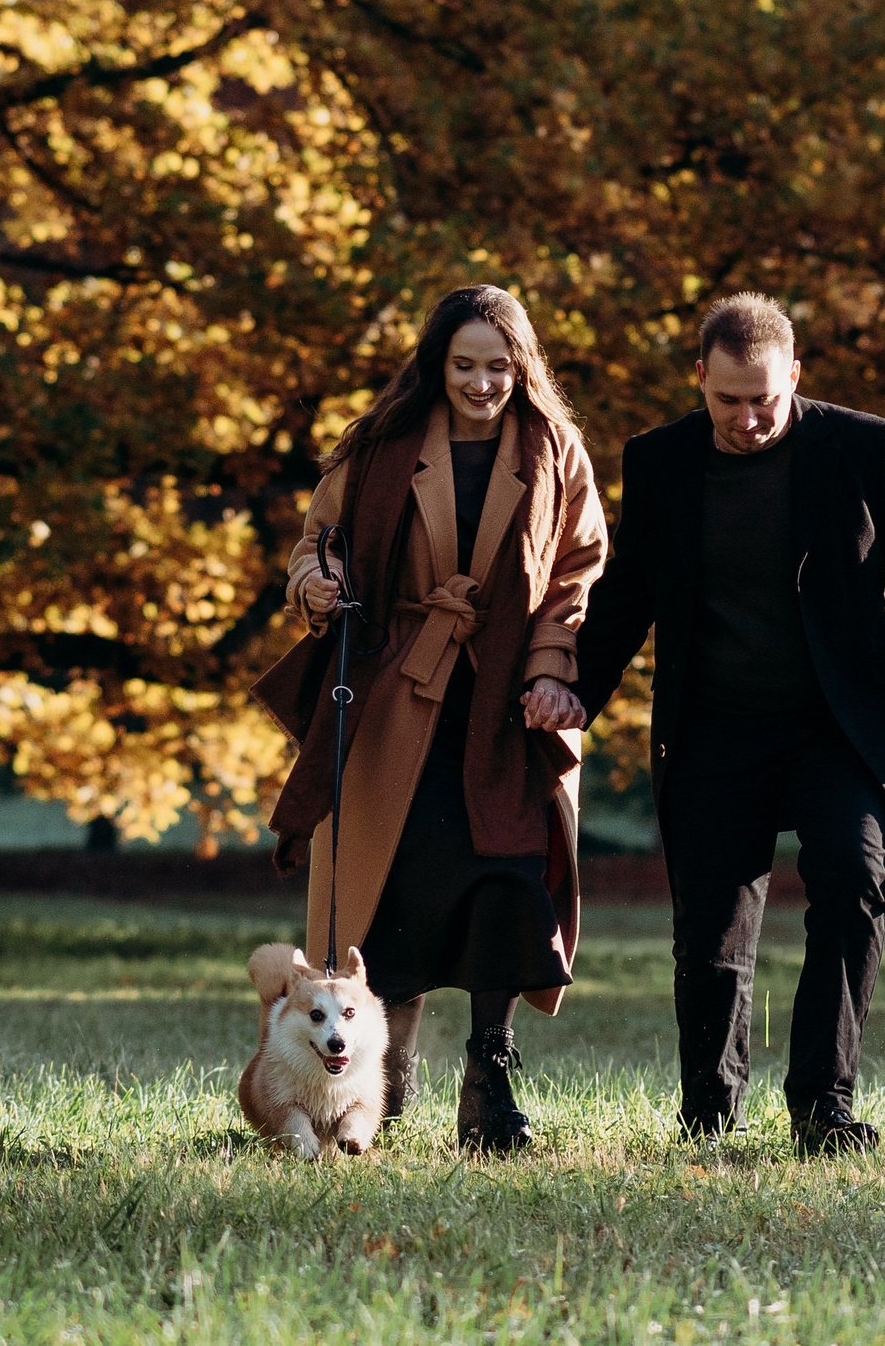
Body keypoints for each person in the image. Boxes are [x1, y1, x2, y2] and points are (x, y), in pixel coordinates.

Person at [573, 292, 885, 1156]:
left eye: (765, 398)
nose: (749, 418)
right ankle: (709, 1116)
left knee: (855, 881)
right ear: (700, 379)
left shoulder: (862, 446)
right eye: (729, 399)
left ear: (794, 374)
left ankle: (823, 1106)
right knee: (711, 931)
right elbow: (626, 595)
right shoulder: (660, 460)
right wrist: (573, 691)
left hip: (839, 726)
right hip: (714, 727)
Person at [257, 285, 604, 1154]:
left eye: (499, 365)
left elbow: (578, 568)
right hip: (398, 699)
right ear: (436, 365)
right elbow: (315, 544)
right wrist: (315, 585)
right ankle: (387, 1070)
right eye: (464, 365)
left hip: (506, 702)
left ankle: (491, 1076)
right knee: (393, 889)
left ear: (522, 367)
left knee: (509, 879)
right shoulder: (380, 445)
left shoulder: (556, 449)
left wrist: (551, 667)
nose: (482, 383)